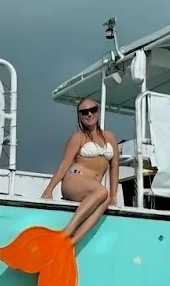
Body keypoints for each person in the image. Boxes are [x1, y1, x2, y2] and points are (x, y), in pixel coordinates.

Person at [41, 96, 120, 245]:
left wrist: (114, 195)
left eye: (92, 110)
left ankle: (72, 242)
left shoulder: (110, 137)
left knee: (105, 198)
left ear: (97, 112)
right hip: (74, 180)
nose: (89, 114)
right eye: (84, 112)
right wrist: (49, 189)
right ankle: (66, 232)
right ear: (80, 116)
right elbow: (65, 164)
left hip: (93, 187)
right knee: (103, 192)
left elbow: (115, 166)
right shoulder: (78, 137)